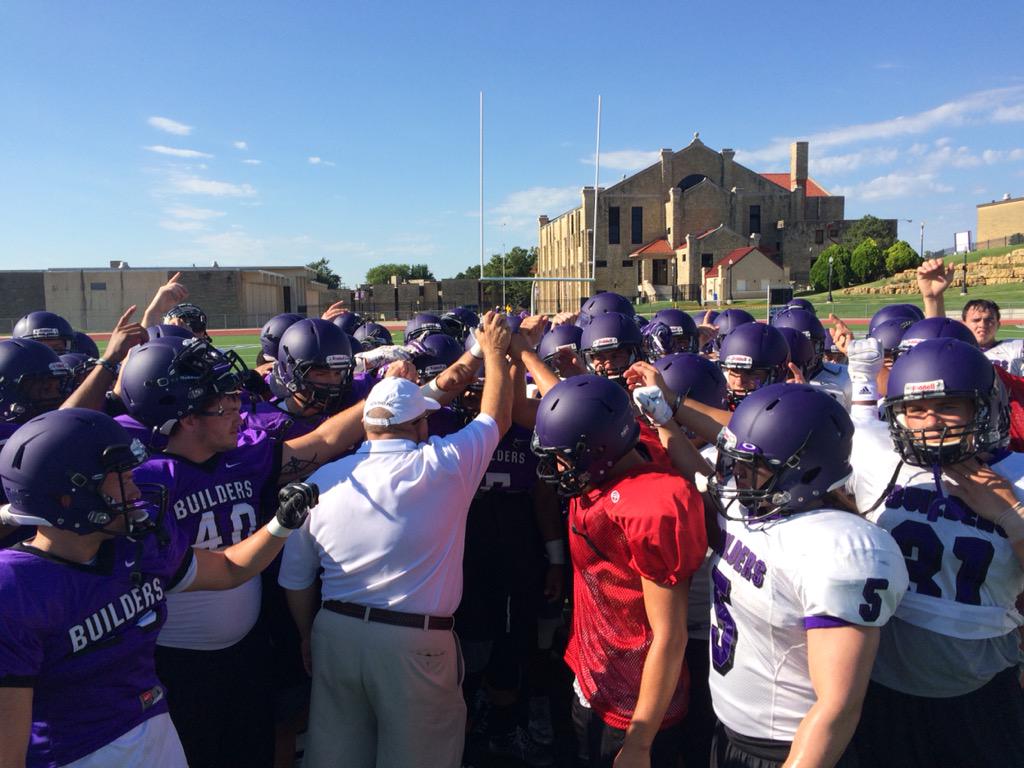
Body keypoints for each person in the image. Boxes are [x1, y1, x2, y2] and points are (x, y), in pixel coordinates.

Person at [0, 408, 317, 768]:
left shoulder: (136, 545)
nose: (134, 489)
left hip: (154, 728)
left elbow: (229, 569)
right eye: (119, 478)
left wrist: (281, 524)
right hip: (78, 753)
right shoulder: (15, 588)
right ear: (67, 498)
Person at [114, 335, 373, 768]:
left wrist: (389, 398)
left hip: (247, 651)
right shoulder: (144, 485)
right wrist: (278, 526)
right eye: (222, 401)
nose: (237, 407)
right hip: (177, 664)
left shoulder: (242, 455)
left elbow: (323, 441)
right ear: (183, 417)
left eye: (235, 395)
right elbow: (225, 568)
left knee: (252, 748)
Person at [278, 311, 513, 768]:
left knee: (336, 758)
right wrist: (497, 353)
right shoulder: (443, 465)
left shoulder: (323, 478)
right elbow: (495, 417)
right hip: (414, 643)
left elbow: (297, 580)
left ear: (366, 425)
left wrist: (309, 636)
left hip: (335, 633)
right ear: (421, 425)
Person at [701, 384, 908, 768]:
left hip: (789, 747)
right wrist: (667, 414)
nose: (736, 476)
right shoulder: (756, 508)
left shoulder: (841, 549)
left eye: (751, 468)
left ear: (806, 472)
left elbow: (838, 706)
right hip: (731, 728)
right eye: (735, 463)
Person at [846, 338, 1024, 767]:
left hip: (979, 687)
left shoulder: (1016, 478)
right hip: (883, 685)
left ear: (983, 407)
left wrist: (1011, 517)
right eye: (915, 409)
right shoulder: (877, 456)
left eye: (948, 406)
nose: (930, 423)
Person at [532, 374, 707, 768]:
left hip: (634, 702)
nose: (556, 467)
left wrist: (641, 741)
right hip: (592, 673)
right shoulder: (622, 445)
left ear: (599, 451)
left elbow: (670, 636)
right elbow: (581, 408)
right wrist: (525, 352)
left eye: (565, 457)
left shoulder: (652, 505)